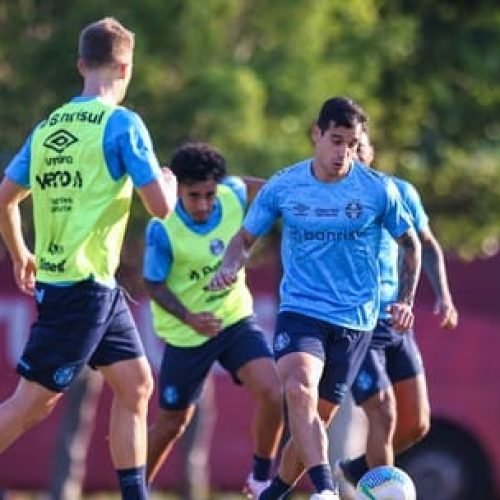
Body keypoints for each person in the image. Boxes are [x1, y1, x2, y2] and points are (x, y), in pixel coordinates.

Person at [208, 96, 422, 500]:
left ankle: (274, 494)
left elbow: (411, 244)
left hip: (356, 322)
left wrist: (406, 299)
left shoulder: (378, 190)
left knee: (315, 425)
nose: (343, 152)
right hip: (301, 311)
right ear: (316, 134)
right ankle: (326, 491)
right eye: (336, 140)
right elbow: (245, 238)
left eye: (352, 143)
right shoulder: (285, 185)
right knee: (299, 388)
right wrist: (229, 265)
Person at [0, 17, 177, 500]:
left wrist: (21, 254)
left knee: (136, 385)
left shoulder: (48, 127)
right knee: (31, 405)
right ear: (127, 67)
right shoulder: (122, 123)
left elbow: (5, 198)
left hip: (92, 285)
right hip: (81, 289)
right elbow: (160, 208)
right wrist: (171, 184)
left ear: (81, 64)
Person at [143, 142, 284, 498]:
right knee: (172, 423)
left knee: (274, 391)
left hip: (233, 318)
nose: (204, 204)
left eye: (209, 194)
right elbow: (153, 284)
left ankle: (260, 478)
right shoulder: (162, 226)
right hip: (186, 334)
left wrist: (297, 192)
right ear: (179, 191)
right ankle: (135, 490)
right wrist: (190, 318)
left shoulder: (233, 193)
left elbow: (264, 189)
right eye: (194, 196)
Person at [334, 127, 459, 486]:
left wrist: (444, 296)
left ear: (370, 150)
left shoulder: (399, 192)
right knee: (383, 413)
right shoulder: (329, 201)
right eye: (343, 146)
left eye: (359, 146)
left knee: (417, 424)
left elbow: (426, 245)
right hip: (358, 325)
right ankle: (380, 491)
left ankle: (359, 470)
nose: (352, 154)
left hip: (396, 322)